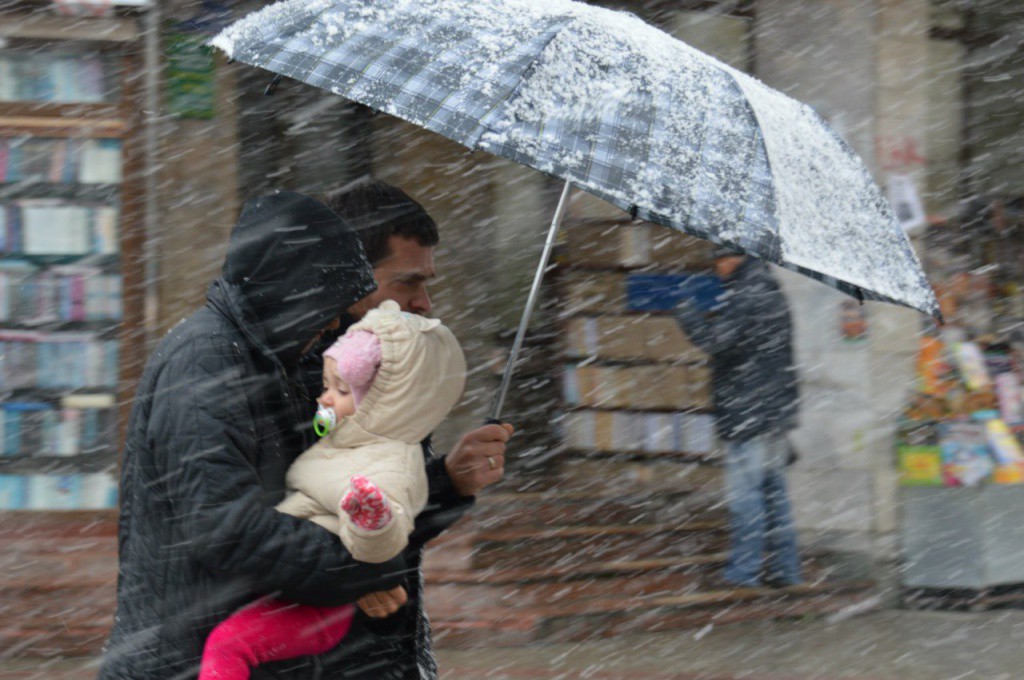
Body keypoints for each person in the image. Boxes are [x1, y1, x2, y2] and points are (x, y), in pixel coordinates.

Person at [99, 189, 511, 680]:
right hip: (197, 658)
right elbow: (229, 528)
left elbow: (347, 509)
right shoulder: (211, 361)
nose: (424, 303)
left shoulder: (286, 361)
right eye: (407, 282)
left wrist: (445, 483)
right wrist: (361, 567)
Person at [200, 300, 467, 679]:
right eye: (326, 386)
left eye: (340, 390)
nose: (325, 398)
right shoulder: (349, 434)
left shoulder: (388, 462)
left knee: (229, 646)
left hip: (320, 607)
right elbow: (321, 430)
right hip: (303, 585)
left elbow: (386, 535)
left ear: (382, 404)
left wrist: (370, 520)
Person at [674, 246, 802, 588]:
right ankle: (786, 569)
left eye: (718, 260)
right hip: (771, 413)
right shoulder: (771, 290)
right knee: (774, 497)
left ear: (733, 257)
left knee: (747, 498)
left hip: (748, 413)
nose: (716, 269)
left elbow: (718, 343)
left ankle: (743, 573)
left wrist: (687, 313)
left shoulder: (746, 294)